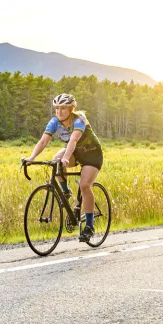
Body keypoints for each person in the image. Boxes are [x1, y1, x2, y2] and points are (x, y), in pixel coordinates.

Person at [22, 93, 104, 242]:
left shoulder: (79, 119)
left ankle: (89, 226)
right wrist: (31, 157)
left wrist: (66, 157)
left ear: (71, 109)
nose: (59, 111)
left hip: (92, 154)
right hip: (75, 153)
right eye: (57, 108)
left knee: (85, 185)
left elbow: (73, 140)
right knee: (56, 160)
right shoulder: (54, 122)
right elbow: (43, 141)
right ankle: (66, 191)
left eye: (63, 108)